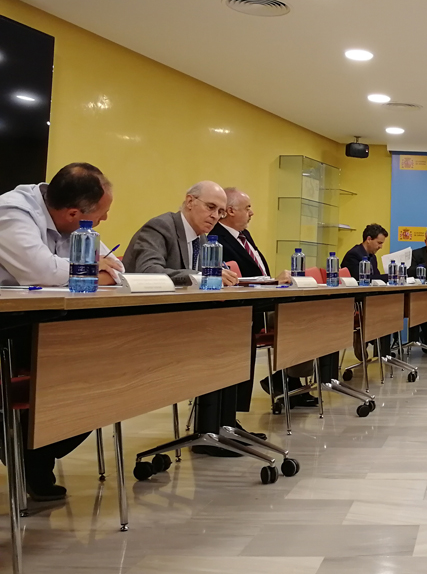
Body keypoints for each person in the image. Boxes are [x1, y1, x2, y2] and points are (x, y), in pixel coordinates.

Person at [0, 162, 122, 500]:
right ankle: (28, 453)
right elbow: (41, 272)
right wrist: (93, 271)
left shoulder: (75, 227)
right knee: (75, 366)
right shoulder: (11, 212)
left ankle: (33, 452)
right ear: (73, 214)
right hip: (8, 327)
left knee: (110, 366)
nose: (105, 219)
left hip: (43, 320)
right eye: (101, 214)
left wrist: (89, 270)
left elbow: (116, 266)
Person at [123, 181, 251, 457]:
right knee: (219, 342)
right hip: (144, 326)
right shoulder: (160, 227)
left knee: (232, 337)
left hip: (184, 322)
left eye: (220, 211)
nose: (215, 216)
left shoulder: (203, 240)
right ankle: (211, 433)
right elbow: (148, 272)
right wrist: (200, 276)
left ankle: (223, 426)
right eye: (211, 207)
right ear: (190, 201)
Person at [211, 188, 315, 409]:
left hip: (264, 300)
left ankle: (287, 379)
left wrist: (274, 283)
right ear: (231, 210)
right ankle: (285, 379)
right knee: (302, 318)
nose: (252, 213)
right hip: (247, 308)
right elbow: (231, 280)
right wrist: (274, 282)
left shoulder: (244, 236)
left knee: (310, 313)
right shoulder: (215, 239)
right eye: (247, 208)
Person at [341, 224, 392, 357]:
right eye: (379, 243)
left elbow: (376, 278)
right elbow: (362, 279)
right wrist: (390, 276)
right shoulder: (354, 255)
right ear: (368, 239)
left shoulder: (372, 257)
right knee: (387, 309)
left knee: (392, 306)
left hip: (370, 297)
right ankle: (368, 339)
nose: (381, 247)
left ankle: (377, 346)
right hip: (355, 300)